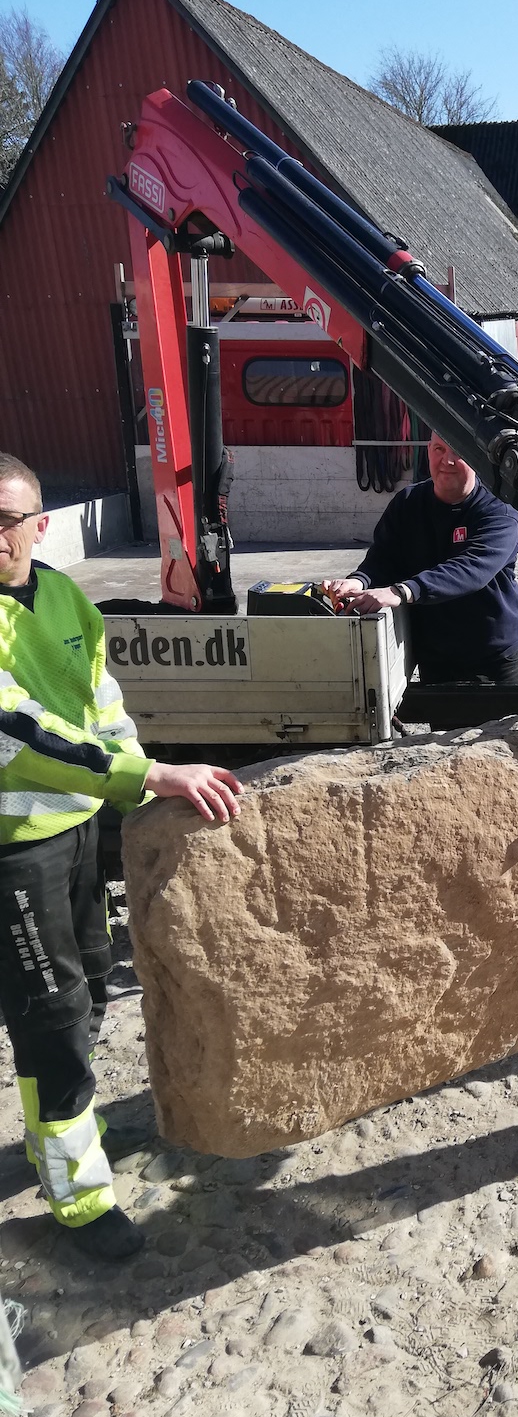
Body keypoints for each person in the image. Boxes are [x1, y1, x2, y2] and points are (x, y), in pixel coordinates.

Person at [0, 453, 242, 1262]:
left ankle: (62, 1122)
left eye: (7, 520)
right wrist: (150, 775)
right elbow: (23, 733)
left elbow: (103, 705)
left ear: (39, 525)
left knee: (94, 977)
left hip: (73, 831)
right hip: (15, 851)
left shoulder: (64, 596)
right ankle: (78, 1194)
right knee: (51, 1013)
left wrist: (140, 785)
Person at [323, 431, 518, 685]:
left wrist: (401, 591)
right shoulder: (408, 502)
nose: (447, 461)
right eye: (439, 449)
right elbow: (384, 558)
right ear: (428, 451)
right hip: (434, 654)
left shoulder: (498, 509)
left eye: (458, 452)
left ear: (477, 458)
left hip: (491, 654)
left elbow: (471, 569)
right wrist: (359, 581)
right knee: (444, 726)